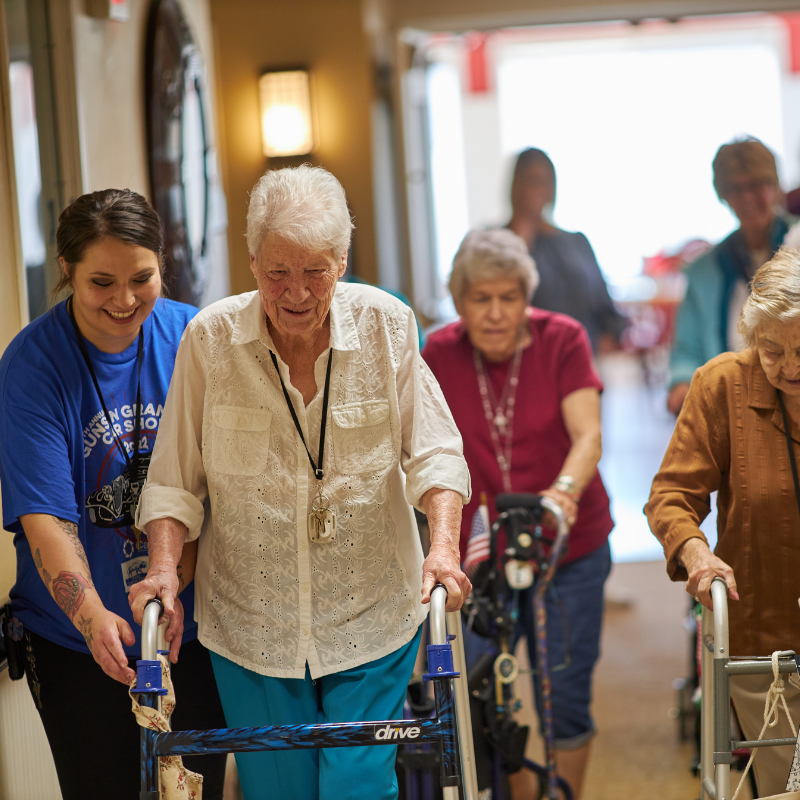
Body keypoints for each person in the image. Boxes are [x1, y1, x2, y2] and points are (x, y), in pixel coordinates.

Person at [128, 165, 473, 800]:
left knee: (355, 786)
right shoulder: (210, 341)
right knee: (278, 790)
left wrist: (443, 547)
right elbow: (175, 480)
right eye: (276, 272)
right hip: (252, 622)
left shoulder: (387, 326)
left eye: (314, 271)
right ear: (251, 259)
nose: (295, 292)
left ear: (342, 260)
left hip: (372, 607)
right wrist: (163, 570)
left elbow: (436, 453)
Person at [0, 190, 227, 799]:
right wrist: (93, 617)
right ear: (66, 270)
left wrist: (178, 582)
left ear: (162, 264)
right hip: (77, 640)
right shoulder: (32, 365)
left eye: (141, 279)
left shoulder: (195, 339)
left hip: (195, 630)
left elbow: (219, 489)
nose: (124, 301)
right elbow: (45, 519)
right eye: (101, 281)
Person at [423, 229, 614, 800]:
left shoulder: (562, 339)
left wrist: (561, 493)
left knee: (563, 691)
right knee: (479, 692)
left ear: (526, 297)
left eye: (510, 297)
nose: (497, 313)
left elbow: (588, 437)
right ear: (459, 302)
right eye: (481, 298)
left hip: (567, 546)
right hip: (476, 557)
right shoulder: (438, 352)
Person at [646, 245, 800, 796]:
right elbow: (671, 496)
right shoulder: (723, 385)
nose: (788, 368)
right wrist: (697, 552)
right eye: (771, 349)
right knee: (786, 787)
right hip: (765, 641)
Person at [667, 136, 795, 415]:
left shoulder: (797, 243)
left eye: (756, 185)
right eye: (736, 189)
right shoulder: (704, 271)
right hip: (734, 403)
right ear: (723, 196)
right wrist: (681, 383)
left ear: (774, 186)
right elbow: (686, 350)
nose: (747, 197)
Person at [507, 147, 624, 355]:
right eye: (531, 181)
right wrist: (523, 233)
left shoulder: (576, 242)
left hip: (581, 355)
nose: (538, 189)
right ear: (516, 184)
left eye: (545, 181)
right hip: (526, 356)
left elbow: (603, 303)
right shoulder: (500, 242)